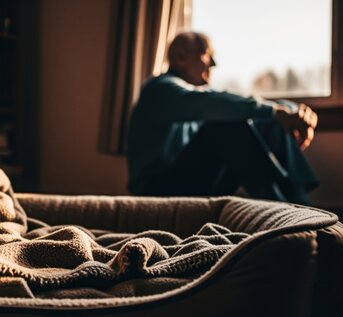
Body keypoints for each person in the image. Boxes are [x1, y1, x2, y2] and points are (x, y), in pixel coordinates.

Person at [127, 31, 319, 206]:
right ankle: (284, 205)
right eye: (206, 54)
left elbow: (240, 106)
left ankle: (299, 201)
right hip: (155, 190)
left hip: (191, 182)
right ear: (180, 58)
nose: (214, 64)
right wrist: (276, 112)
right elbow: (213, 103)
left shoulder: (198, 93)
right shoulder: (161, 89)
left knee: (262, 118)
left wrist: (293, 113)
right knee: (227, 124)